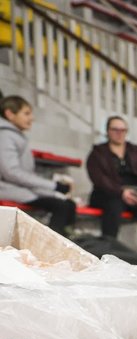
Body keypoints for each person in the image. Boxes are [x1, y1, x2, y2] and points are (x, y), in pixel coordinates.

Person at [0, 96, 76, 235]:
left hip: (19, 188)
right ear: (10, 114)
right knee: (62, 206)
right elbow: (11, 172)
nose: (32, 118)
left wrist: (54, 187)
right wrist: (54, 186)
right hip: (8, 189)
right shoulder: (5, 136)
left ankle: (65, 243)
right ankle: (51, 247)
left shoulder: (14, 136)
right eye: (26, 113)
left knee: (69, 204)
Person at [86, 116, 137, 239]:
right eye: (115, 130)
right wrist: (121, 192)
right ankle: (108, 247)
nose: (119, 133)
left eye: (123, 130)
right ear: (108, 131)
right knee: (113, 207)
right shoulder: (97, 153)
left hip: (136, 193)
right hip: (109, 193)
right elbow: (99, 179)